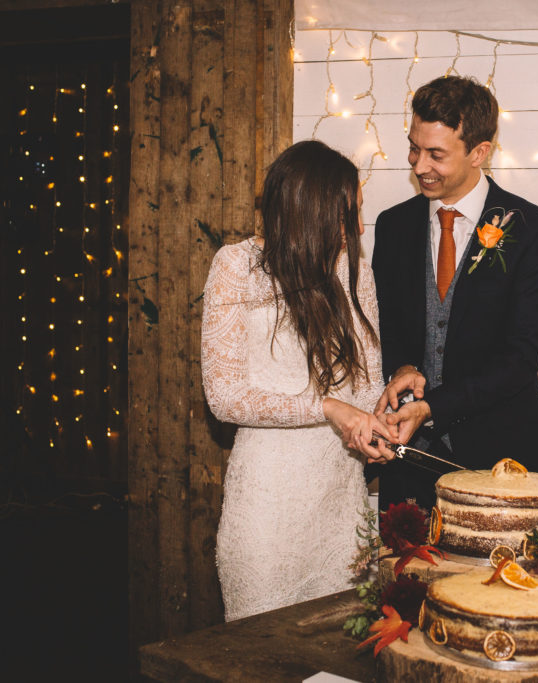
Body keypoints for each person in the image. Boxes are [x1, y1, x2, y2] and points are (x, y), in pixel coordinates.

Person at [201, 140, 396, 621]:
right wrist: (328, 408)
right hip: (268, 510)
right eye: (346, 214)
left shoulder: (356, 272)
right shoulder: (236, 267)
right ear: (310, 212)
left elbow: (367, 381)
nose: (357, 228)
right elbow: (224, 398)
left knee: (343, 657)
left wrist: (378, 417)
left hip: (340, 510)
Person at [371, 75, 538, 510]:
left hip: (504, 456)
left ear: (479, 153)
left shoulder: (536, 233)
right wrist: (401, 365)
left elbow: (521, 359)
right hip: (408, 461)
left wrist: (432, 406)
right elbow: (386, 325)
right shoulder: (392, 226)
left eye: (436, 154)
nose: (419, 166)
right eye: (414, 148)